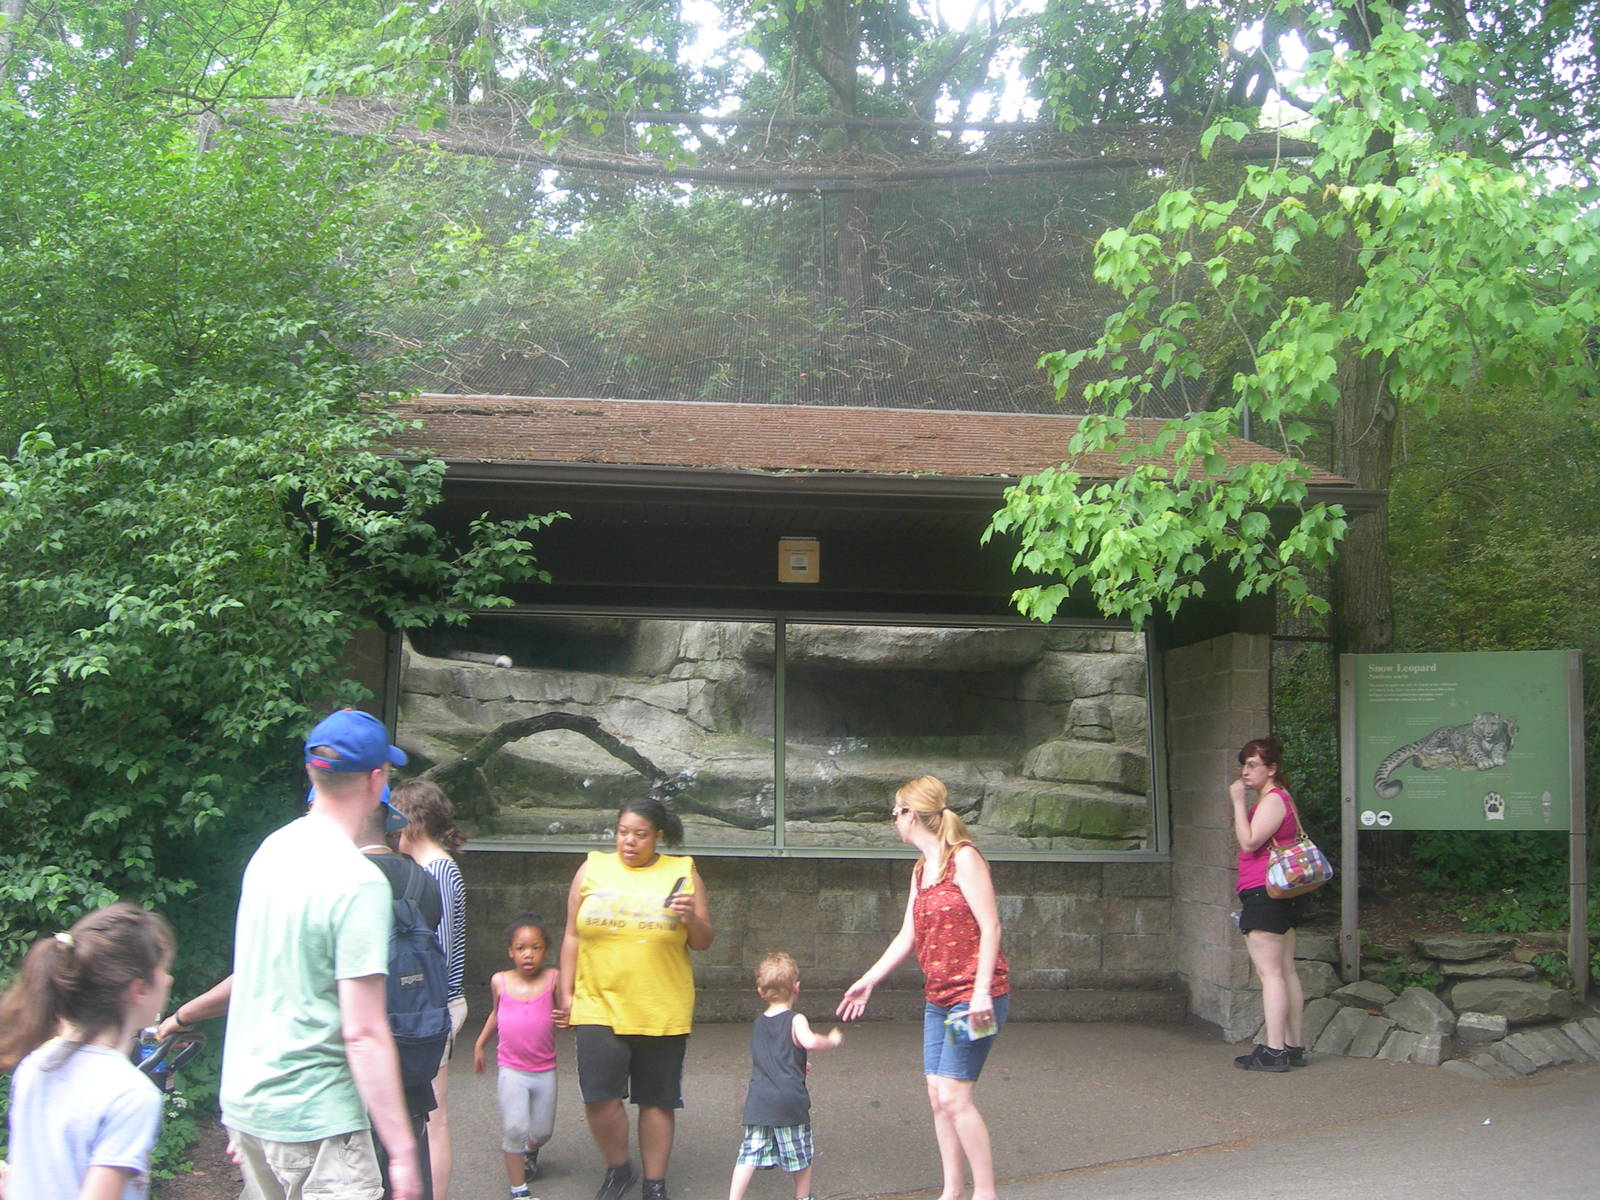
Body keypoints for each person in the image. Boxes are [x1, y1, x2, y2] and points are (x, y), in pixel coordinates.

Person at [220, 708, 421, 1200]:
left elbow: (254, 977)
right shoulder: (357, 882)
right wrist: (402, 1152)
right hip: (317, 1117)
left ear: (314, 772)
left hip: (248, 1105)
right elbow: (364, 1033)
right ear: (377, 780)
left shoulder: (270, 850)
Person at [836, 776, 1010, 1200]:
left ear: (910, 815)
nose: (893, 820)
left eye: (895, 812)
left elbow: (991, 926)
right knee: (937, 1095)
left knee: (954, 1095)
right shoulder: (920, 870)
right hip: (939, 1000)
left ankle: (985, 1193)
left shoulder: (963, 858)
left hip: (974, 1000)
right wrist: (868, 980)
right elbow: (906, 936)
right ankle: (951, 1190)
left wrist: (982, 992)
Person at [556, 797, 714, 1200]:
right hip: (597, 1001)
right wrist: (566, 993)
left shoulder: (682, 871)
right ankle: (618, 1167)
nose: (629, 841)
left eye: (640, 834)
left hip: (660, 1005)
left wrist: (689, 917)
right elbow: (572, 934)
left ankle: (655, 1182)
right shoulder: (592, 867)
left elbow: (703, 941)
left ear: (658, 836)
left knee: (656, 1099)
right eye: (623, 832)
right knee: (599, 1097)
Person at [0, 901, 174, 1200]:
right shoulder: (131, 1095)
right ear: (139, 988)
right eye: (164, 970)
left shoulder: (36, 1064)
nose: (169, 979)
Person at [391, 777, 468, 1200]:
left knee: (433, 1118)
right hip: (437, 1005)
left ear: (413, 823)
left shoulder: (435, 870)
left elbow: (434, 949)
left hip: (436, 1005)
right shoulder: (437, 867)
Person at [727, 952, 843, 1200]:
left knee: (749, 1154)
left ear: (760, 992)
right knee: (799, 1155)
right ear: (796, 988)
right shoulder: (796, 1019)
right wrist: (830, 1041)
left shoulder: (758, 1023)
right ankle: (802, 1197)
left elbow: (771, 1056)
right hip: (789, 1101)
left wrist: (799, 1063)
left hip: (758, 1101)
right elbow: (809, 1041)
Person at [1230, 735, 1308, 1072]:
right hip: (1278, 894)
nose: (1245, 772)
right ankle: (1291, 1046)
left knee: (1271, 974)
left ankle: (1274, 1051)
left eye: (1253, 765)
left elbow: (1249, 842)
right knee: (1286, 971)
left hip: (1264, 893)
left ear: (1271, 768)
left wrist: (1236, 802)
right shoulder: (1281, 798)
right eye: (1243, 765)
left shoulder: (1272, 800)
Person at [474, 914, 560, 1200]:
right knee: (515, 1127)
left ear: (545, 951)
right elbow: (497, 1014)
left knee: (542, 1131)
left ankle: (531, 1151)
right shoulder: (500, 981)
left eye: (536, 947)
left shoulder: (553, 978)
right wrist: (480, 1044)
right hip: (511, 1068)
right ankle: (518, 1189)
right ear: (510, 951)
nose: (528, 954)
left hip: (545, 1069)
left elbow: (567, 1010)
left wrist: (569, 1017)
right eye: (521, 948)